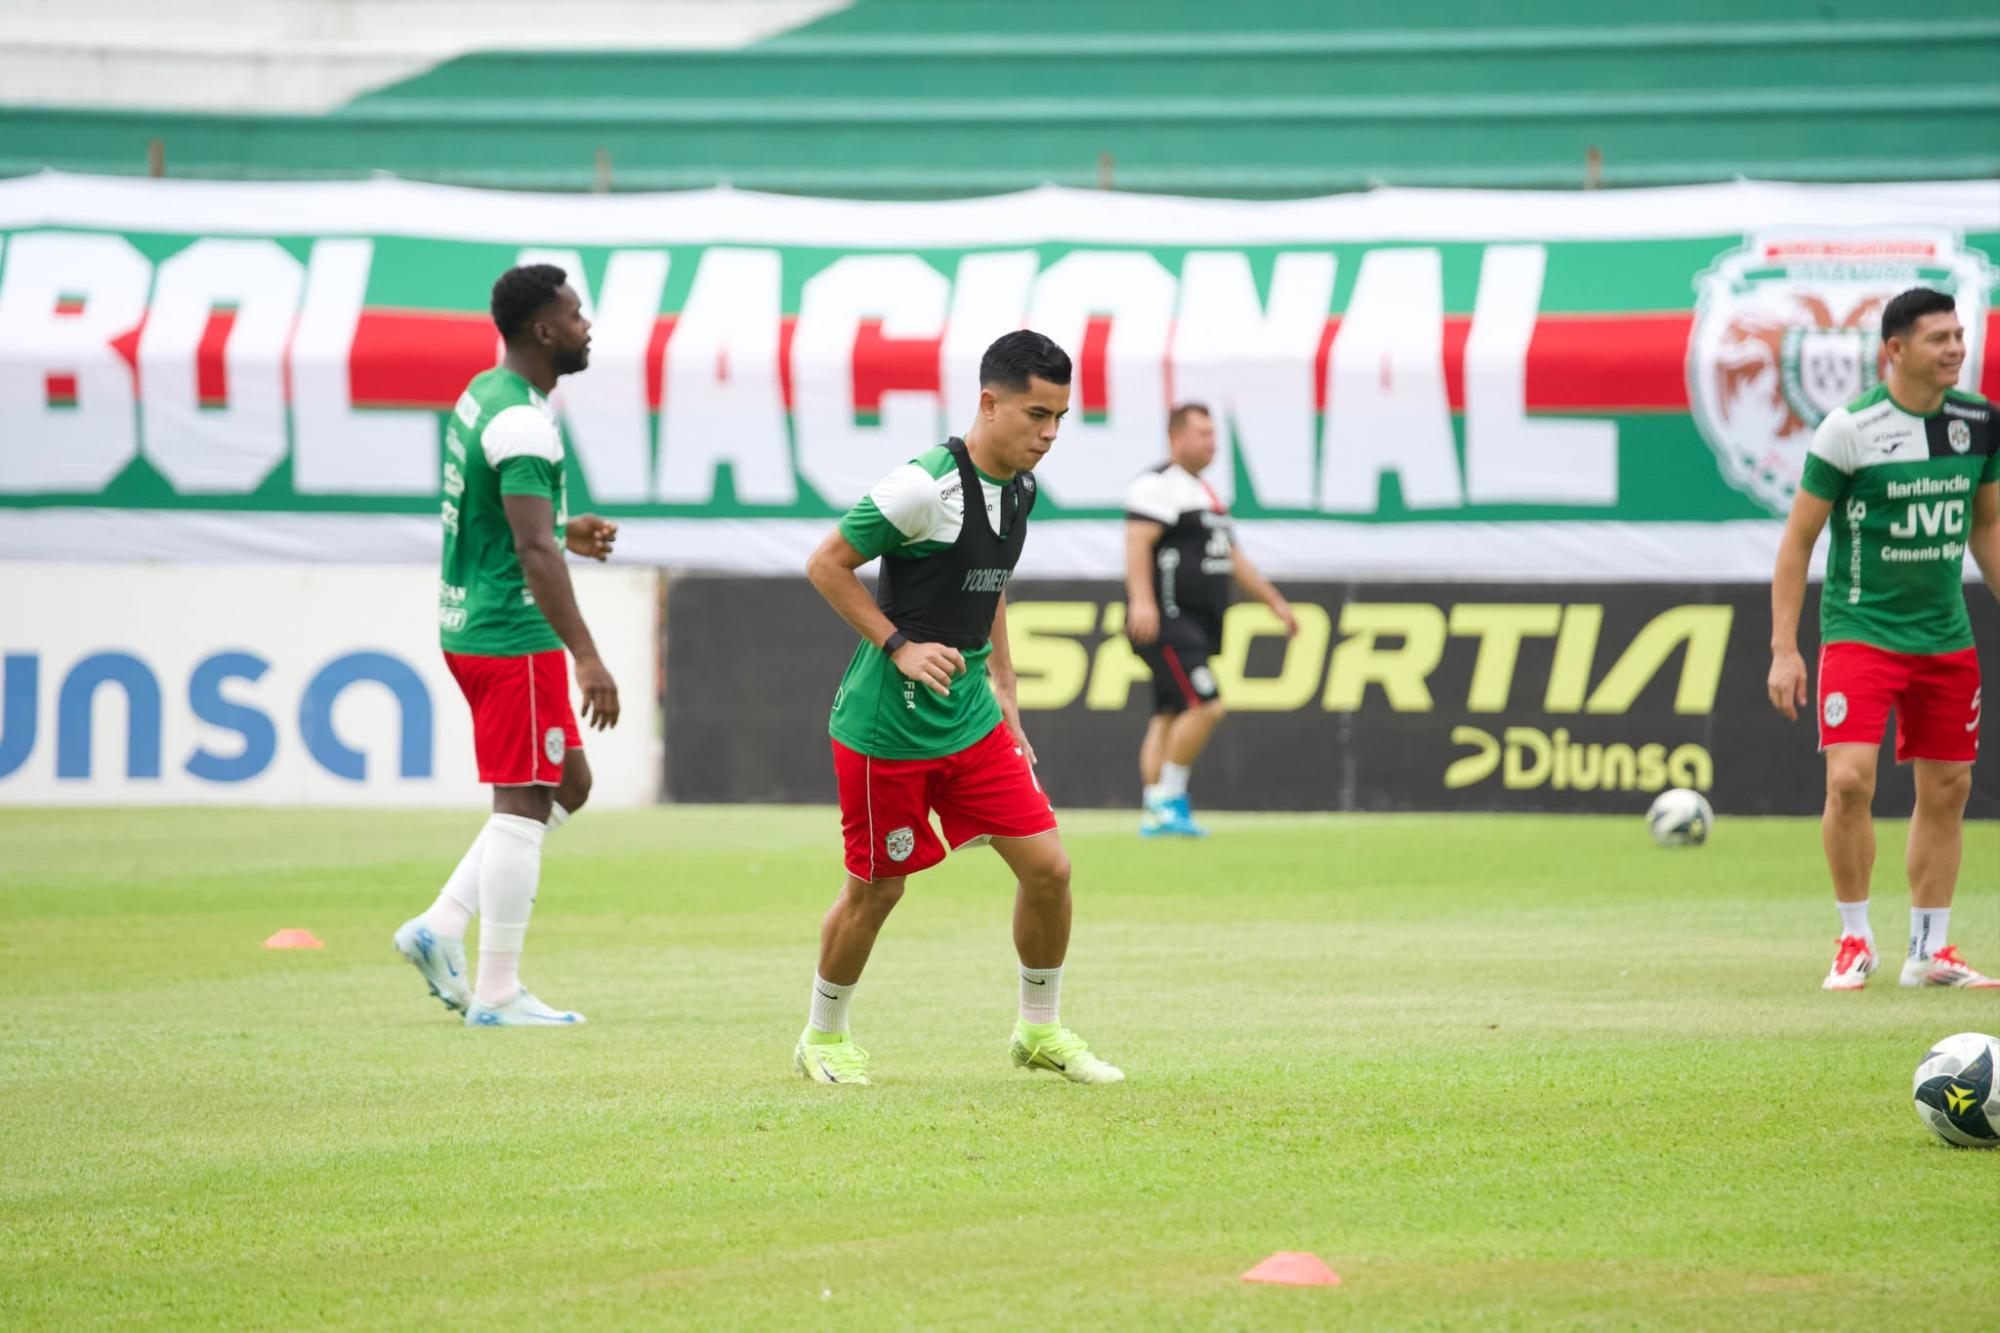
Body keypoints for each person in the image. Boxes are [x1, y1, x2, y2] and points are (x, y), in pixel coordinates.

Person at [793, 330, 1122, 1086]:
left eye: (1061, 417)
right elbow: (826, 564)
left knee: (1049, 868)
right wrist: (899, 643)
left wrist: (1003, 682)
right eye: (1037, 413)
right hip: (887, 726)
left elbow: (989, 577)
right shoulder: (921, 486)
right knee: (878, 887)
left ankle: (1038, 1032)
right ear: (988, 402)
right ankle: (823, 1034)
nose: (1049, 432)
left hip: (969, 715)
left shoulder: (1022, 488)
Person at [393, 264, 623, 1026]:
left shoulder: (484, 395)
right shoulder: (524, 422)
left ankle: (441, 924)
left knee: (569, 783)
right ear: (543, 330)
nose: (587, 325)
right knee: (523, 801)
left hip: (472, 621)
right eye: (576, 313)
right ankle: (496, 991)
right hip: (510, 634)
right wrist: (587, 655)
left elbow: (517, 524)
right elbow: (532, 552)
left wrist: (565, 528)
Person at [1768, 286, 2000, 991]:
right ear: (1894, 350)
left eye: (1959, 335)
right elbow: (1798, 540)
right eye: (1939, 338)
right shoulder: (1849, 429)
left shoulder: (1979, 422)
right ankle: (1855, 937)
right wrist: (1785, 647)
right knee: (1848, 781)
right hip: (1861, 631)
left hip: (1945, 637)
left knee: (1949, 787)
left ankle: (1928, 951)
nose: (1956, 348)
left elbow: (1986, 525)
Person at [1123, 403, 1296, 836]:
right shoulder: (1156, 485)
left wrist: (1273, 601)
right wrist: (1141, 601)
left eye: (1213, 435)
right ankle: (1170, 799)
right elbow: (1137, 543)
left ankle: (1153, 808)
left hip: (1198, 624)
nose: (1211, 443)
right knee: (1206, 706)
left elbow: (1231, 557)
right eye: (1202, 434)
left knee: (1168, 712)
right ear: (1175, 437)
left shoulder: (1205, 493)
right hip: (1168, 619)